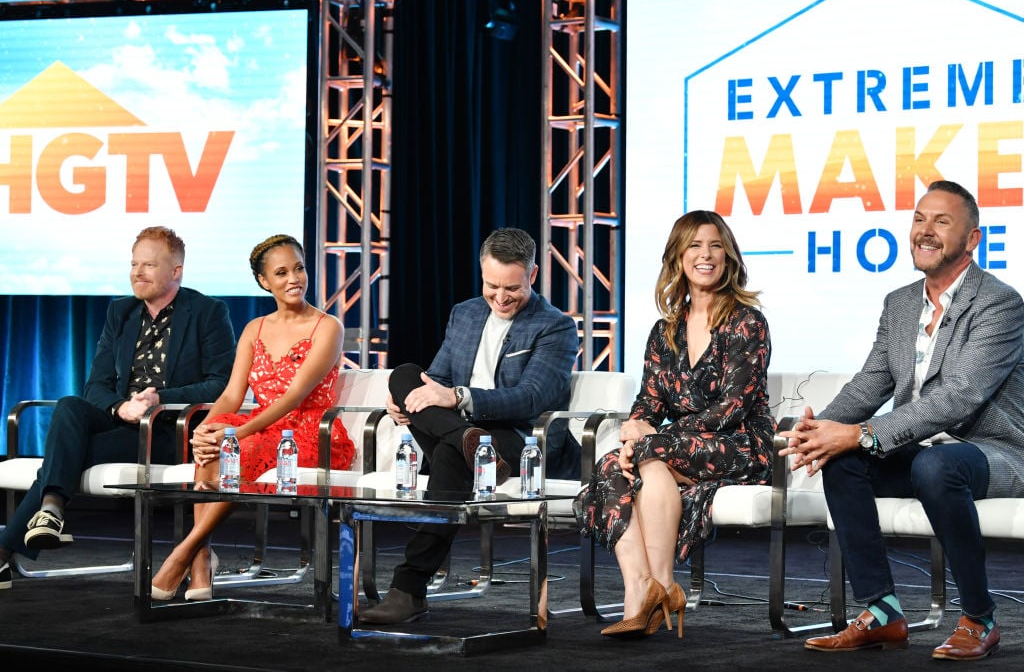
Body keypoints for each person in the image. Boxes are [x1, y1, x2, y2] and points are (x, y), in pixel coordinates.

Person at [780, 180, 1024, 661]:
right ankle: (882, 610)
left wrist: (863, 433)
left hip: (996, 451)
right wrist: (817, 432)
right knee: (841, 458)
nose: (924, 231)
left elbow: (959, 396)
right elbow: (870, 384)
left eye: (941, 221)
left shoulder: (1000, 303)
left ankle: (980, 618)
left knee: (935, 466)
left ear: (972, 240)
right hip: (921, 450)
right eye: (918, 219)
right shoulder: (900, 302)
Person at [359, 227, 579, 625]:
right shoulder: (466, 312)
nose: (500, 296)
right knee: (405, 373)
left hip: (519, 442)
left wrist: (456, 398)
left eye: (511, 287)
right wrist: (409, 399)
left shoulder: (556, 325)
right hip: (462, 430)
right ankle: (464, 439)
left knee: (452, 454)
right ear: (481, 273)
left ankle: (409, 588)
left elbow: (532, 398)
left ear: (533, 273)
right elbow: (434, 378)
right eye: (491, 285)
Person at [0, 226, 235, 591]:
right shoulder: (120, 312)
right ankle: (48, 511)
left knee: (67, 455)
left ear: (176, 272)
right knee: (70, 406)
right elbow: (95, 386)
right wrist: (121, 407)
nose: (137, 273)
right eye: (134, 264)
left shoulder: (207, 312)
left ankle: (19, 536)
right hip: (124, 421)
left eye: (149, 265)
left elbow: (221, 383)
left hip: (170, 430)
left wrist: (161, 398)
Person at [574, 210, 774, 639]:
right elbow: (648, 401)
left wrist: (655, 438)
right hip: (676, 448)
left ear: (729, 256)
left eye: (716, 245)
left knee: (650, 451)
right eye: (695, 246)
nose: (706, 255)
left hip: (740, 444)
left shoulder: (747, 322)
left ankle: (662, 584)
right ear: (678, 257)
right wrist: (635, 429)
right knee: (612, 464)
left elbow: (732, 407)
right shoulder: (664, 331)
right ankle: (639, 590)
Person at [150, 234, 355, 601]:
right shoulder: (254, 328)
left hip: (309, 432)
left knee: (230, 445)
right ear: (264, 282)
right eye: (281, 272)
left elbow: (295, 397)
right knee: (214, 443)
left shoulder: (328, 327)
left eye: (299, 268)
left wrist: (235, 432)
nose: (294, 278)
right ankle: (200, 565)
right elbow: (231, 394)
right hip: (259, 426)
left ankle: (186, 552)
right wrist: (205, 430)